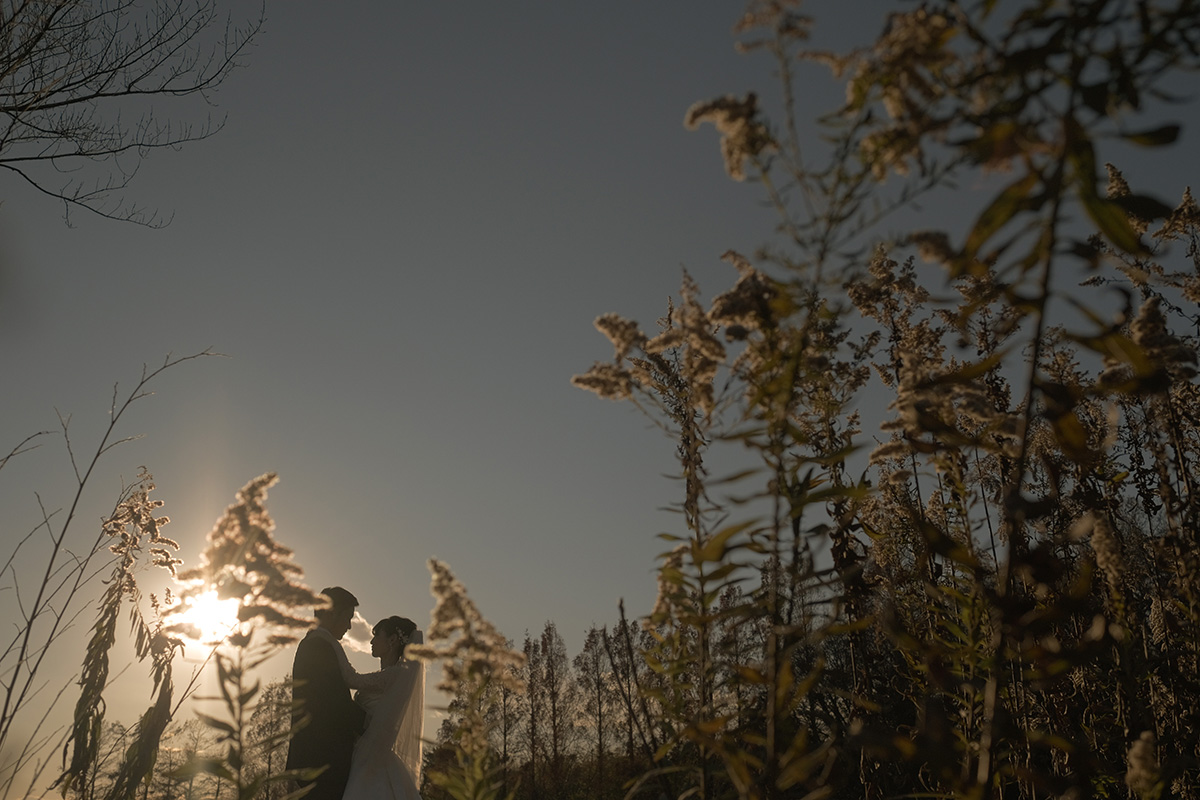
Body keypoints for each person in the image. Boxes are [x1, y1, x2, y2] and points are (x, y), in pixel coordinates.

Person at [285, 587, 367, 800]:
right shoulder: (318, 647)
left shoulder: (316, 644)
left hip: (315, 756)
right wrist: (371, 721)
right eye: (347, 617)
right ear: (331, 613)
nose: (349, 626)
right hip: (322, 757)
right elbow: (333, 702)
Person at [340, 615, 426, 800]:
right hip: (369, 754)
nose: (371, 641)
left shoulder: (394, 675)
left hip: (369, 757)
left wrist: (332, 644)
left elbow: (351, 679)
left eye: (377, 635)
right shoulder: (394, 676)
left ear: (392, 640)